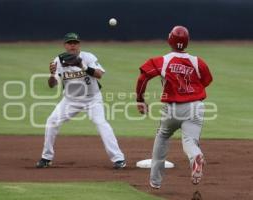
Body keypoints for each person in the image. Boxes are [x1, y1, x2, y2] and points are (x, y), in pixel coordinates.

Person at [135, 26, 213, 189]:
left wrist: (140, 99)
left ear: (170, 40)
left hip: (172, 108)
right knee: (190, 141)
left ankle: (155, 182)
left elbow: (143, 77)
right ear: (187, 42)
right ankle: (196, 157)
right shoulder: (197, 61)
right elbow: (206, 80)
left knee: (162, 137)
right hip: (195, 107)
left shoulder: (162, 60)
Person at [36, 32, 126, 169]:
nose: (73, 45)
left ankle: (119, 159)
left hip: (92, 99)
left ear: (79, 44)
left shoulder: (88, 57)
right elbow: (52, 84)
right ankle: (46, 158)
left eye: (75, 43)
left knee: (101, 123)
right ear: (65, 45)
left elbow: (99, 74)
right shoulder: (58, 61)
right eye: (70, 43)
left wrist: (82, 66)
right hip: (70, 100)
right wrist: (51, 74)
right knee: (51, 121)